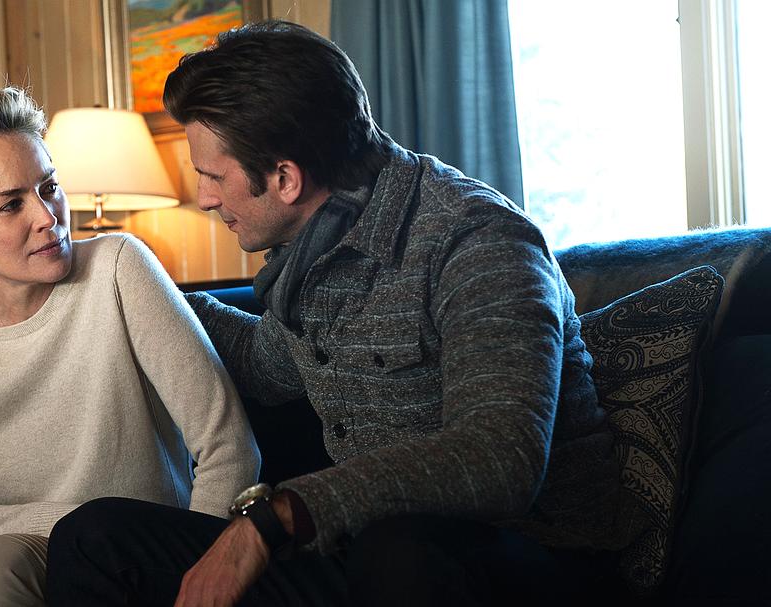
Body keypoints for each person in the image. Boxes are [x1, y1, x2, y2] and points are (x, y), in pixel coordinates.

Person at [44, 21, 626, 607]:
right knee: (94, 539)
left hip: (531, 558)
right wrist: (134, 292)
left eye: (212, 176)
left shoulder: (479, 241)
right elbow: (263, 366)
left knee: (399, 550)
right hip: (359, 549)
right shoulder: (318, 245)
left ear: (285, 178)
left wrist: (277, 517)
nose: (205, 198)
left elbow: (501, 457)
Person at [0, 87, 260, 607]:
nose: (48, 216)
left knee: (1, 564)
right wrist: (80, 520)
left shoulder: (118, 267)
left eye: (49, 187)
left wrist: (195, 570)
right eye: (11, 205)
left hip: (121, 556)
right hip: (45, 539)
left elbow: (228, 446)